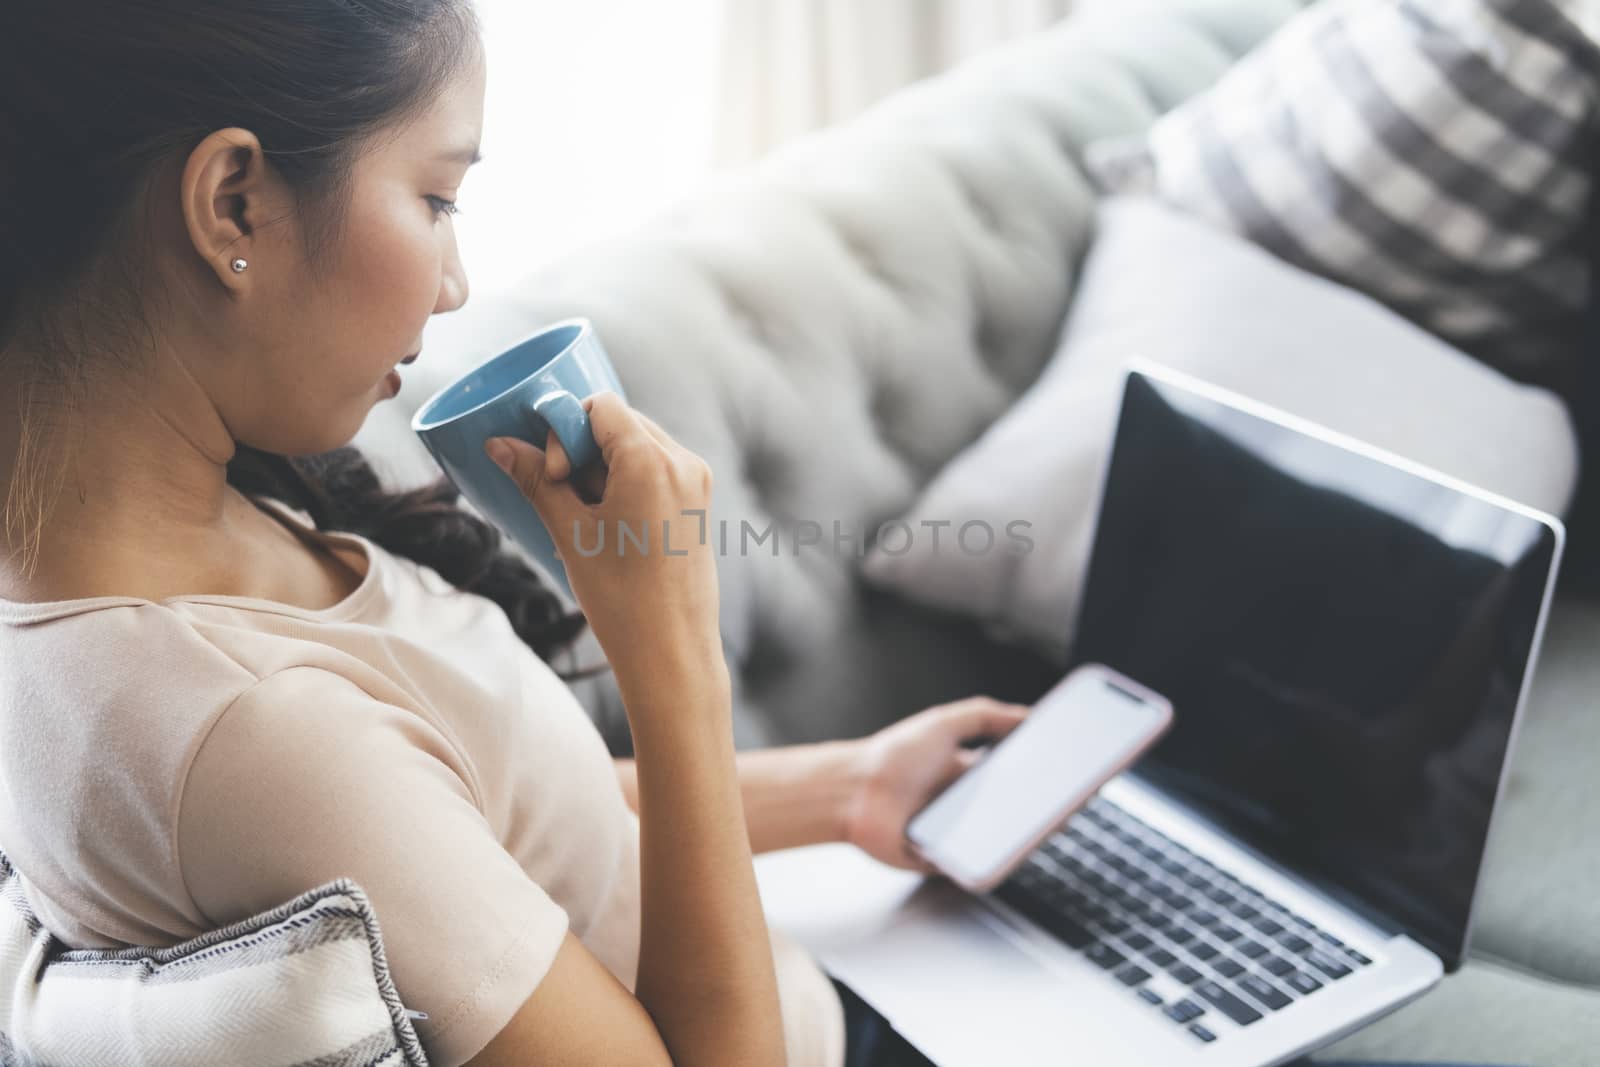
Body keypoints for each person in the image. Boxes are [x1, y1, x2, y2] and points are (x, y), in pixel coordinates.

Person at [0, 3, 1520, 1067]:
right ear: (231, 205)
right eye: (438, 195)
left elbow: (475, 822)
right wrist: (672, 653)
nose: (455, 286)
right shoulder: (249, 728)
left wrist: (846, 786)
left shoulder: (142, 563)